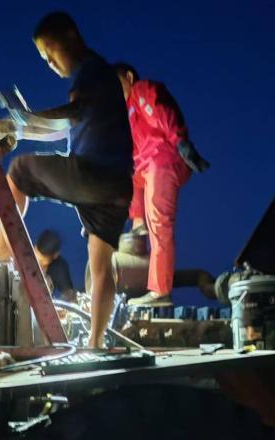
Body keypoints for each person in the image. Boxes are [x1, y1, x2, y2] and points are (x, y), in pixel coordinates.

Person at [0, 12, 133, 347]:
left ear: (71, 38)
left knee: (19, 171)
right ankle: (96, 343)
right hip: (118, 187)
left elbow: (71, 115)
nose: (49, 62)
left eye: (50, 52)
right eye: (44, 58)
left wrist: (23, 121)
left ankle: (2, 252)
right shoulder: (101, 80)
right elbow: (62, 127)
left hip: (93, 173)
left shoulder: (91, 71)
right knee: (101, 266)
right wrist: (21, 128)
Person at [114, 63, 209, 307]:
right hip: (145, 167)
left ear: (129, 77)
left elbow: (161, 111)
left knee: (160, 224)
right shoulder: (126, 113)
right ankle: (138, 226)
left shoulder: (141, 90)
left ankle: (160, 291)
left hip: (163, 159)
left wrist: (180, 142)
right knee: (127, 175)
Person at [34, 229, 77, 302]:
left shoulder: (59, 267)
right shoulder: (23, 252)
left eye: (42, 260)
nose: (39, 262)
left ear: (56, 255)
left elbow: (69, 294)